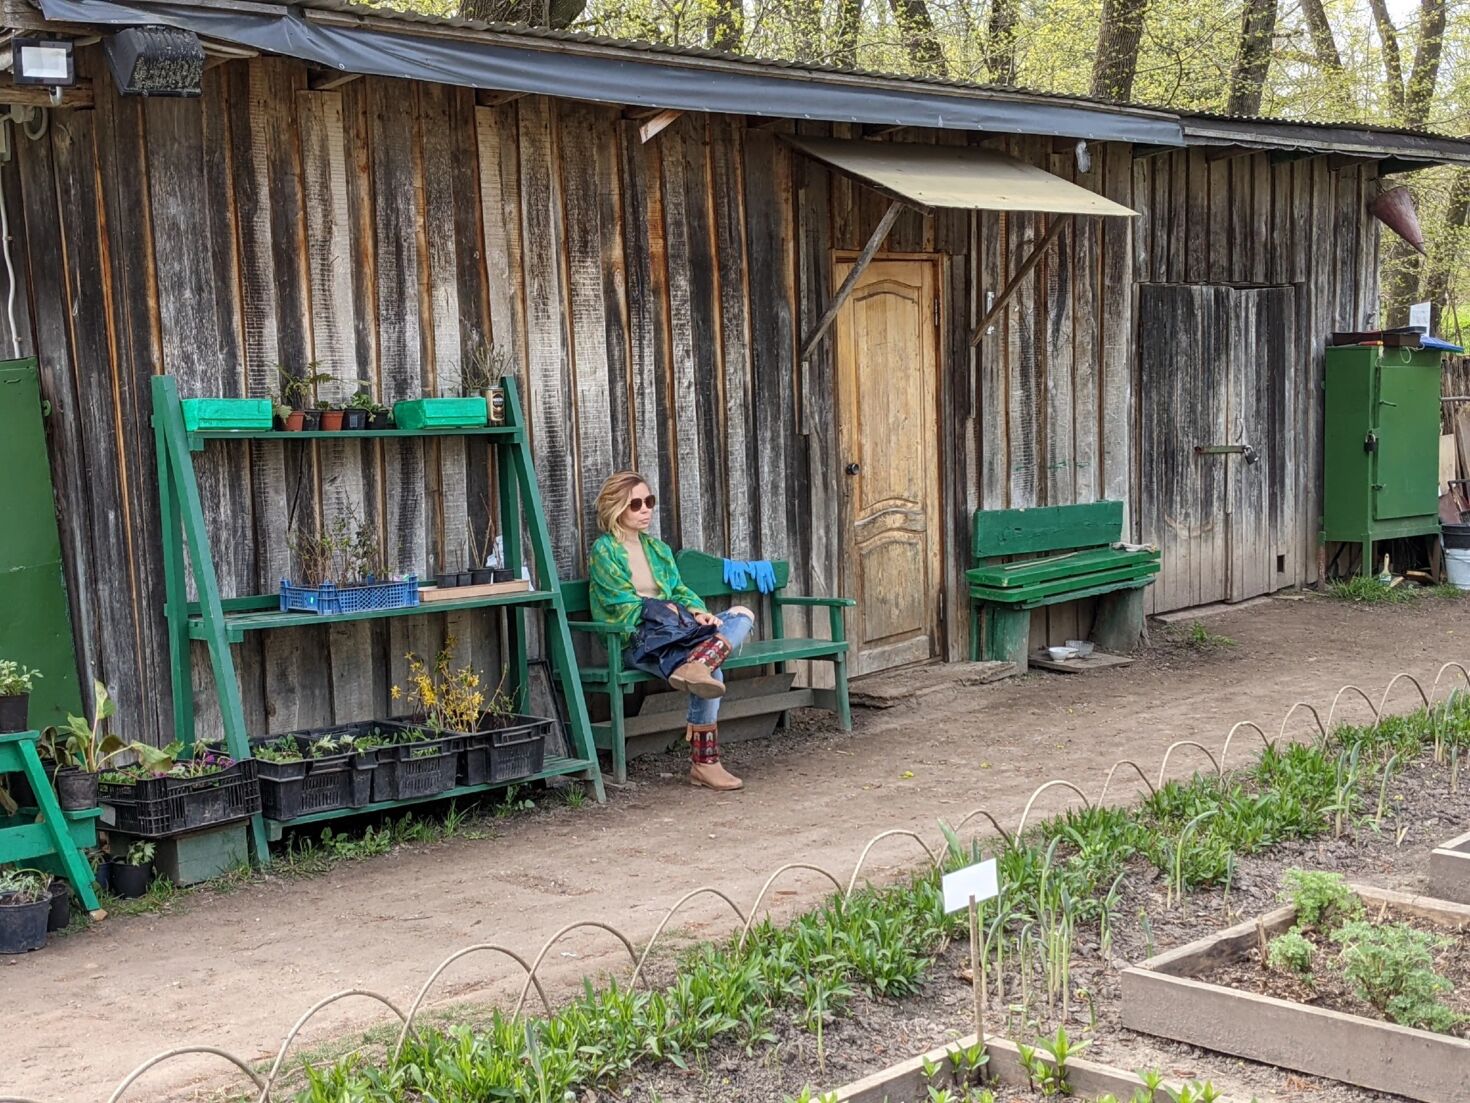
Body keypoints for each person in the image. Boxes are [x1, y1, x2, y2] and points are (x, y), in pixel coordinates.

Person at [588, 471, 754, 791]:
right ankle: (705, 763)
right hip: (638, 641)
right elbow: (618, 604)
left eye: (649, 501)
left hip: (679, 633)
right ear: (616, 508)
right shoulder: (604, 551)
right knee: (713, 674)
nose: (645, 510)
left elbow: (678, 590)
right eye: (635, 504)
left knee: (741, 615)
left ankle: (697, 664)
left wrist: (698, 612)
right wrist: (667, 611)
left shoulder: (658, 549)